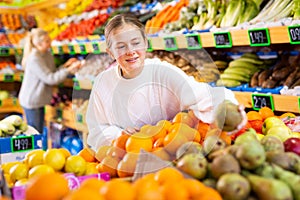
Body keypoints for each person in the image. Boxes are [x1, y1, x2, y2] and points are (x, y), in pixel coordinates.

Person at [86, 13, 246, 151]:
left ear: (145, 44)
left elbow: (203, 95)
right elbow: (96, 128)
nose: (130, 51)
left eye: (136, 43)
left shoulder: (162, 72)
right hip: (124, 158)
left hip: (169, 152)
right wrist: (119, 135)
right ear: (110, 52)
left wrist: (229, 108)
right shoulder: (103, 83)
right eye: (121, 46)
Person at [18, 28, 82, 133]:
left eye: (49, 40)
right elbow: (50, 79)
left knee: (38, 130)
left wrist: (65, 66)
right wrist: (68, 70)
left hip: (39, 99)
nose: (50, 43)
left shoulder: (47, 54)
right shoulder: (34, 58)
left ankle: (38, 149)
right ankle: (35, 150)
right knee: (35, 133)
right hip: (32, 100)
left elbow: (52, 72)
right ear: (39, 43)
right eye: (47, 41)